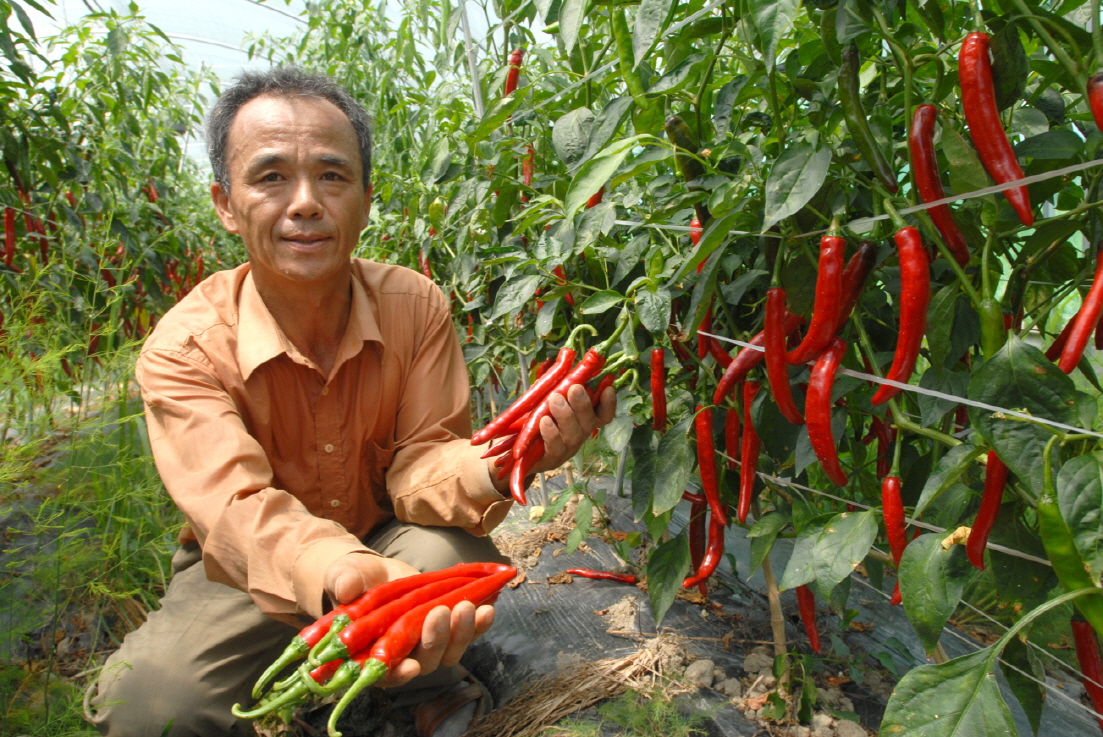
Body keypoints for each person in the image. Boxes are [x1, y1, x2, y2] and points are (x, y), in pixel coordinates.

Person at [88, 66, 616, 737]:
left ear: (366, 201)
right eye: (271, 176)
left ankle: (413, 687)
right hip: (249, 572)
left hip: (387, 536)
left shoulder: (414, 306)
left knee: (447, 560)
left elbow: (421, 465)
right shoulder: (185, 347)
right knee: (149, 707)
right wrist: (339, 568)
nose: (305, 203)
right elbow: (236, 509)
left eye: (332, 176)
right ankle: (346, 670)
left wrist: (507, 458)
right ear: (225, 203)